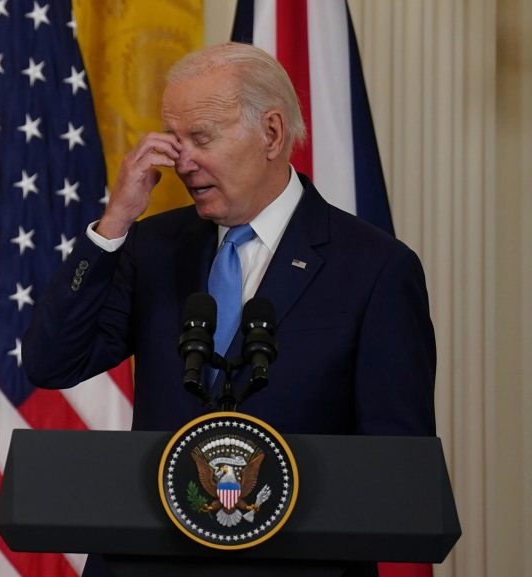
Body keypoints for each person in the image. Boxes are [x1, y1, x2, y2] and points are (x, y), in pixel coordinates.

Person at [24, 41, 435, 577]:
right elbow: (52, 362)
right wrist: (113, 226)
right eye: (174, 141)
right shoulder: (150, 248)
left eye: (201, 139)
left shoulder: (376, 268)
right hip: (145, 563)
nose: (182, 162)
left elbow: (396, 461)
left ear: (271, 133)